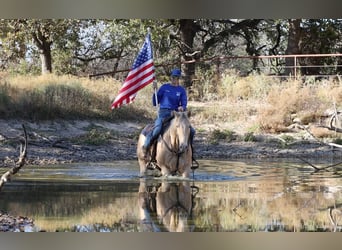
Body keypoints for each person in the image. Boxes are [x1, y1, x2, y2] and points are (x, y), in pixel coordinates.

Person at [142, 68, 195, 157]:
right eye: (173, 77)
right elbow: (155, 102)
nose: (175, 79)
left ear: (179, 79)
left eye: (177, 78)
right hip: (164, 113)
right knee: (157, 129)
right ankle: (146, 146)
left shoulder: (181, 90)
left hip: (176, 114)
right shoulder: (164, 87)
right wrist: (154, 91)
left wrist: (182, 107)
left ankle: (190, 152)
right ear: (171, 77)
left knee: (192, 131)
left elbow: (184, 101)